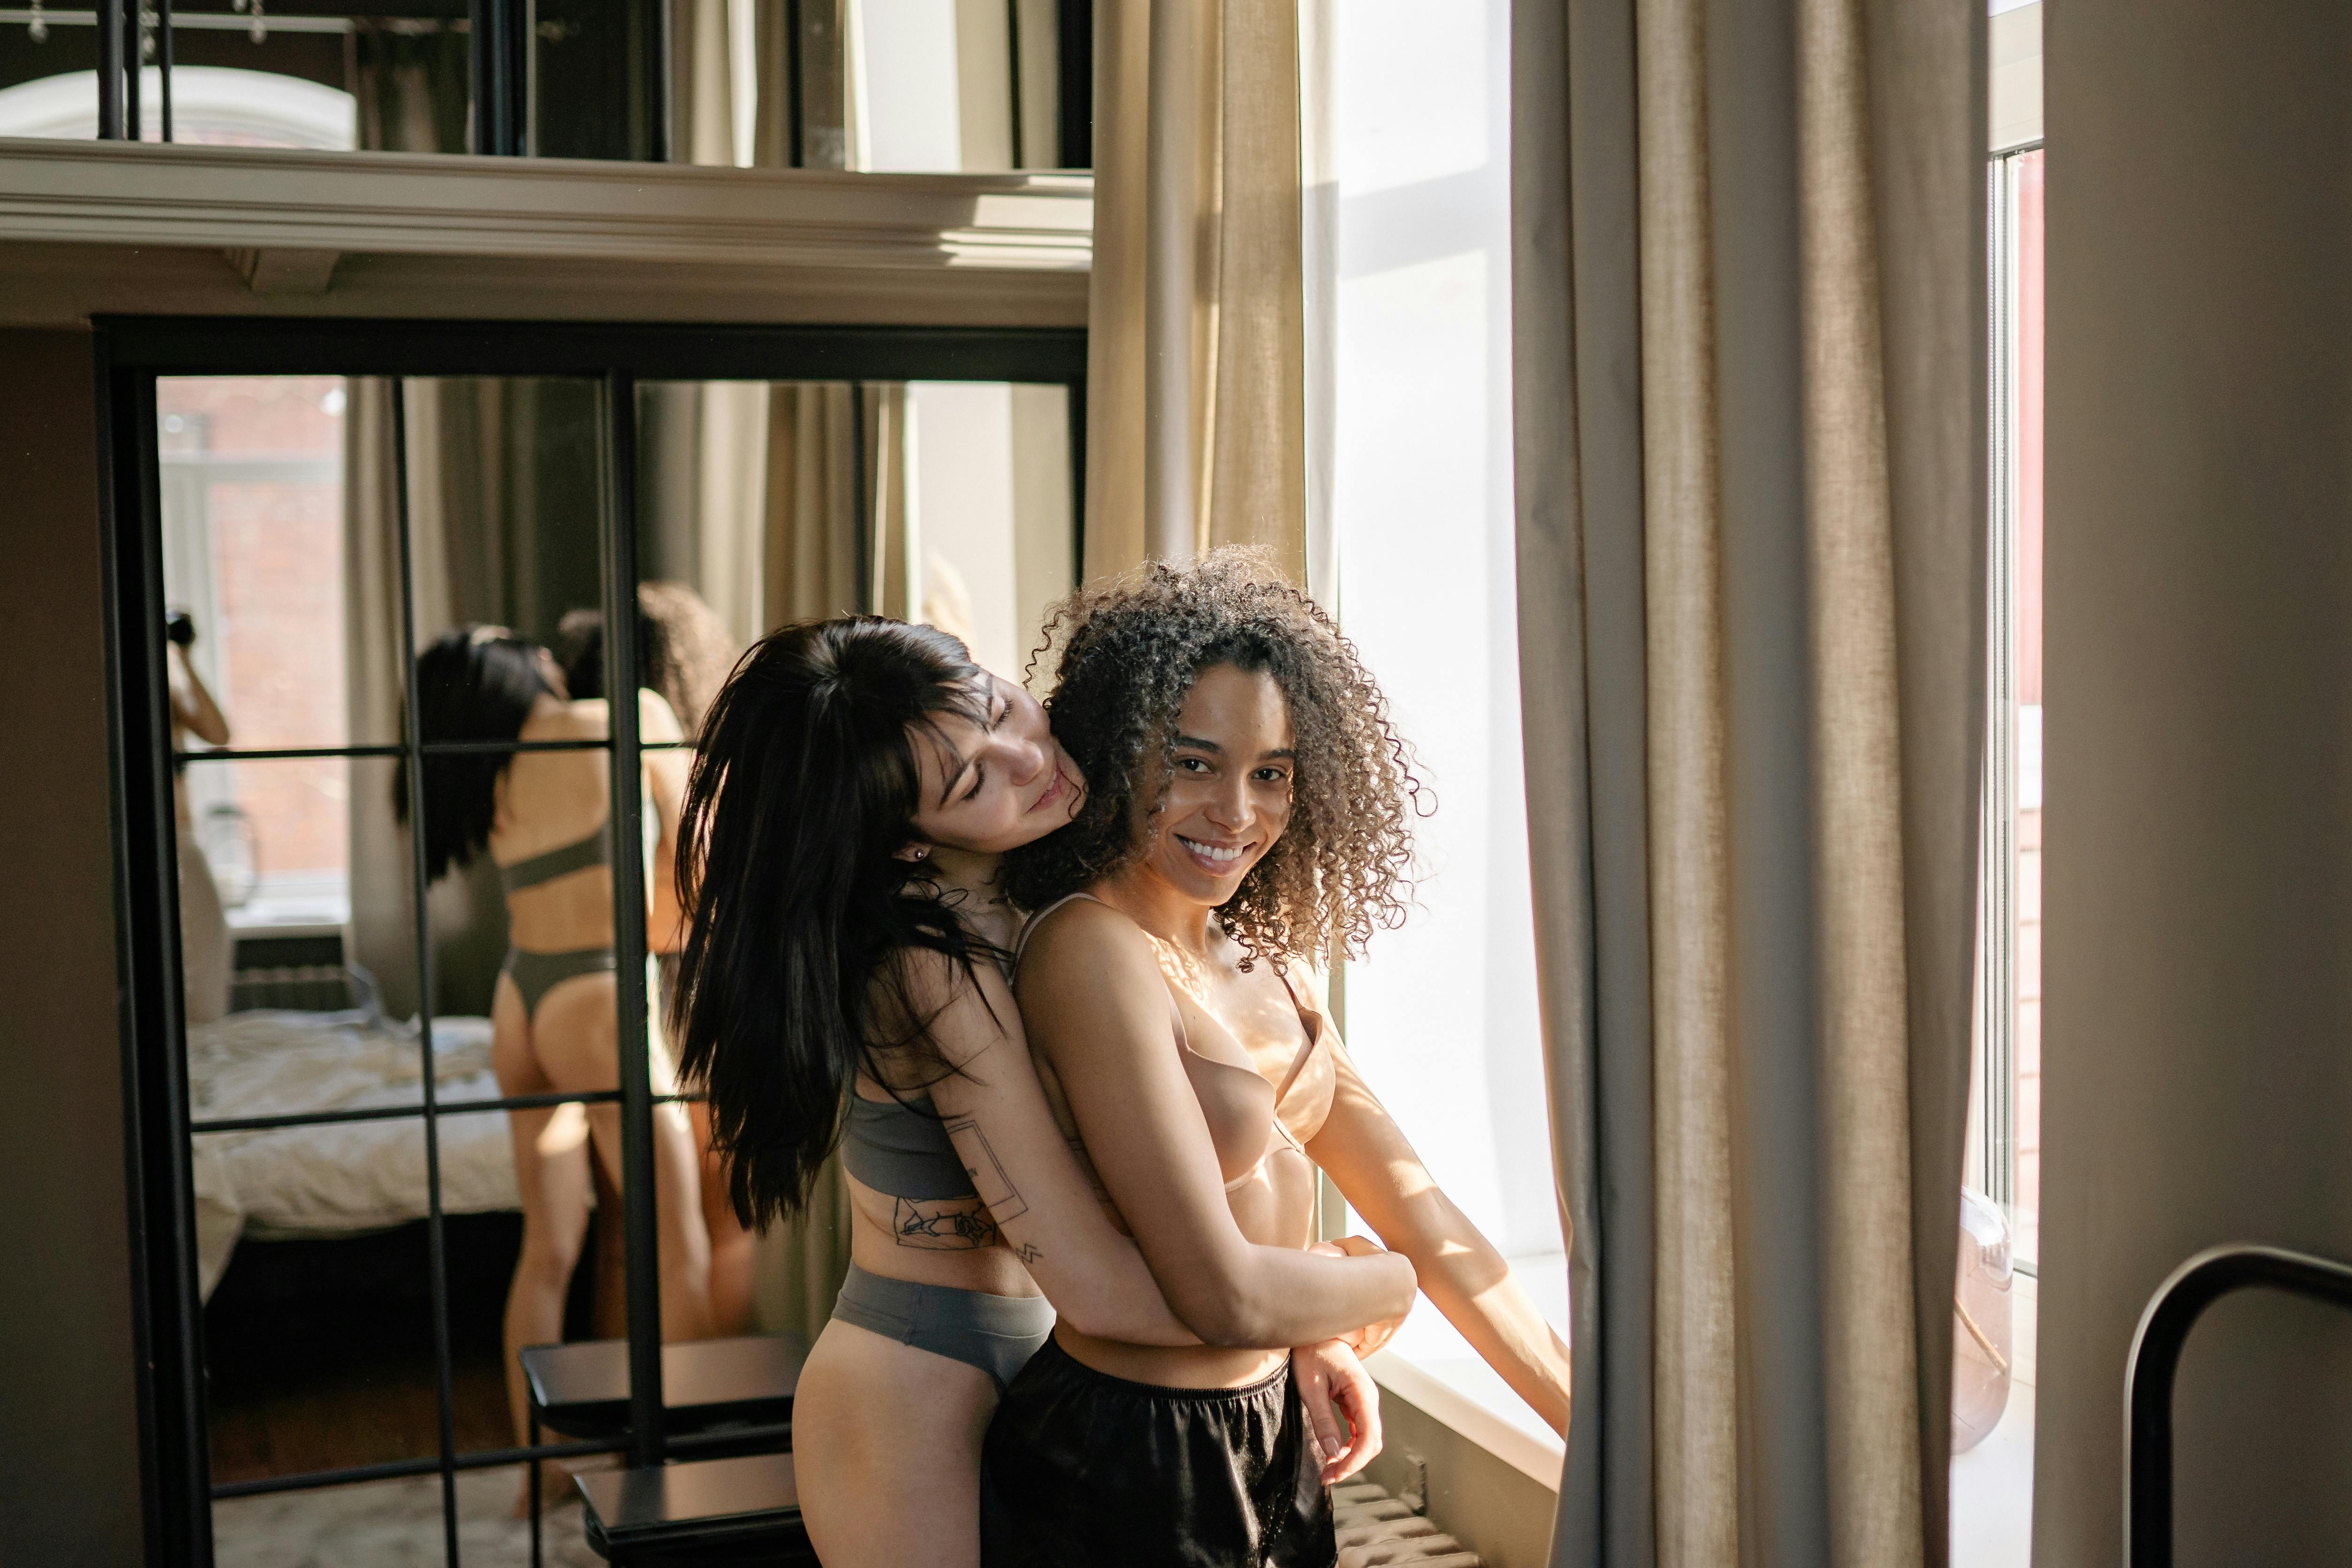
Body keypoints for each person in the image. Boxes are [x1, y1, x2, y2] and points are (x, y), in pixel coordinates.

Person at [669, 616, 1417, 1568]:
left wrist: (1307, 1327)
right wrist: (1359, 1290)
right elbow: (1114, 1284)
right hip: (914, 1380)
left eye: (998, 707)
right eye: (974, 780)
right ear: (907, 845)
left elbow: (1181, 1230)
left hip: (1062, 1353)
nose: (1027, 755)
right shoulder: (924, 960)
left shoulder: (1056, 883)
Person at [988, 549, 1576, 1567]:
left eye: (1271, 774)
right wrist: (1373, 1281)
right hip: (1126, 1458)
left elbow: (1424, 1213)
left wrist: (1607, 1442)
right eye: (1193, 761)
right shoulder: (1088, 950)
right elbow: (1225, 1293)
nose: (1236, 812)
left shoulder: (1274, 967)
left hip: (1271, 1435)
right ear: (1119, 750)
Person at [398, 626, 717, 1485]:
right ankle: (670, 1463)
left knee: (546, 1250)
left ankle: (537, 1472)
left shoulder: (488, 767)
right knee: (677, 1240)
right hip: (597, 997)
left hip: (519, 999)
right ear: (506, 666)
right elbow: (701, 851)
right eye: (521, 641)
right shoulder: (618, 718)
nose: (541, 649)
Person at [557, 583, 756, 1336]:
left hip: (628, 1003)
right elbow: (684, 914)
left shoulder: (592, 784)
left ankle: (635, 1422)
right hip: (698, 998)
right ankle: (705, 1419)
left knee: (625, 1233)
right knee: (723, 1229)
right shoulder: (709, 778)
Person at [167, 610, 233, 1025]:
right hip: (164, 839)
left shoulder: (168, 695)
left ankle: (202, 1035)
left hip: (183, 837)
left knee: (207, 936)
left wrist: (185, 659)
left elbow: (219, 734)